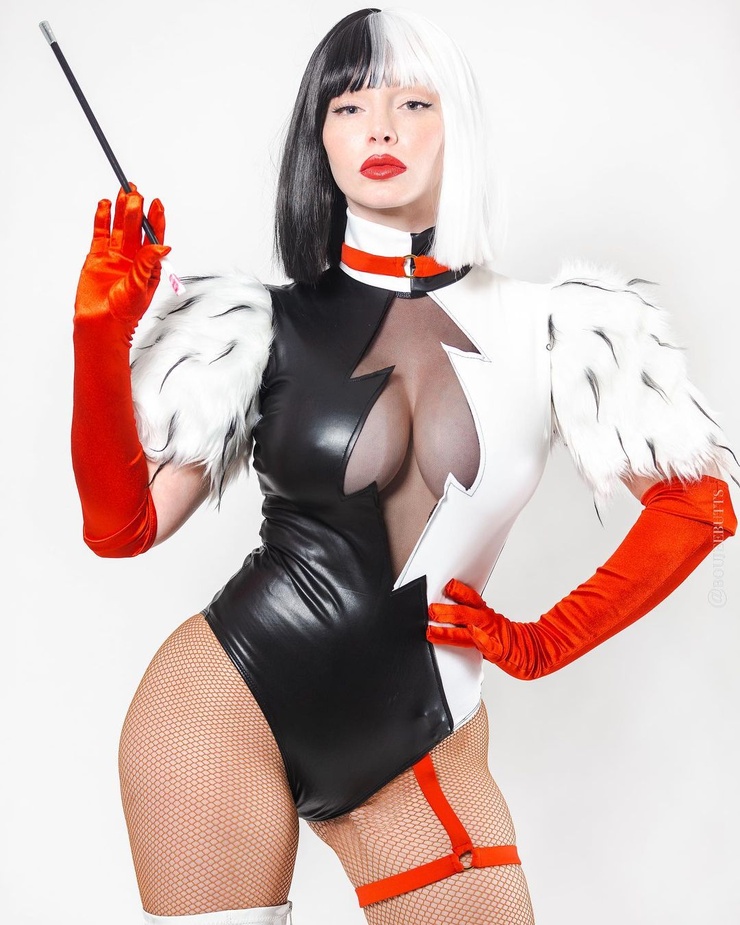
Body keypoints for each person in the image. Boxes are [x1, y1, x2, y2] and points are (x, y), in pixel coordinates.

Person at [70, 8, 738, 925]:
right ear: (320, 140)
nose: (378, 128)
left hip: (419, 740)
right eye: (348, 107)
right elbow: (122, 527)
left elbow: (701, 503)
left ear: (456, 123)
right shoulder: (252, 326)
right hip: (220, 709)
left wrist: (544, 641)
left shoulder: (558, 327)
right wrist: (99, 337)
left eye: (411, 103)